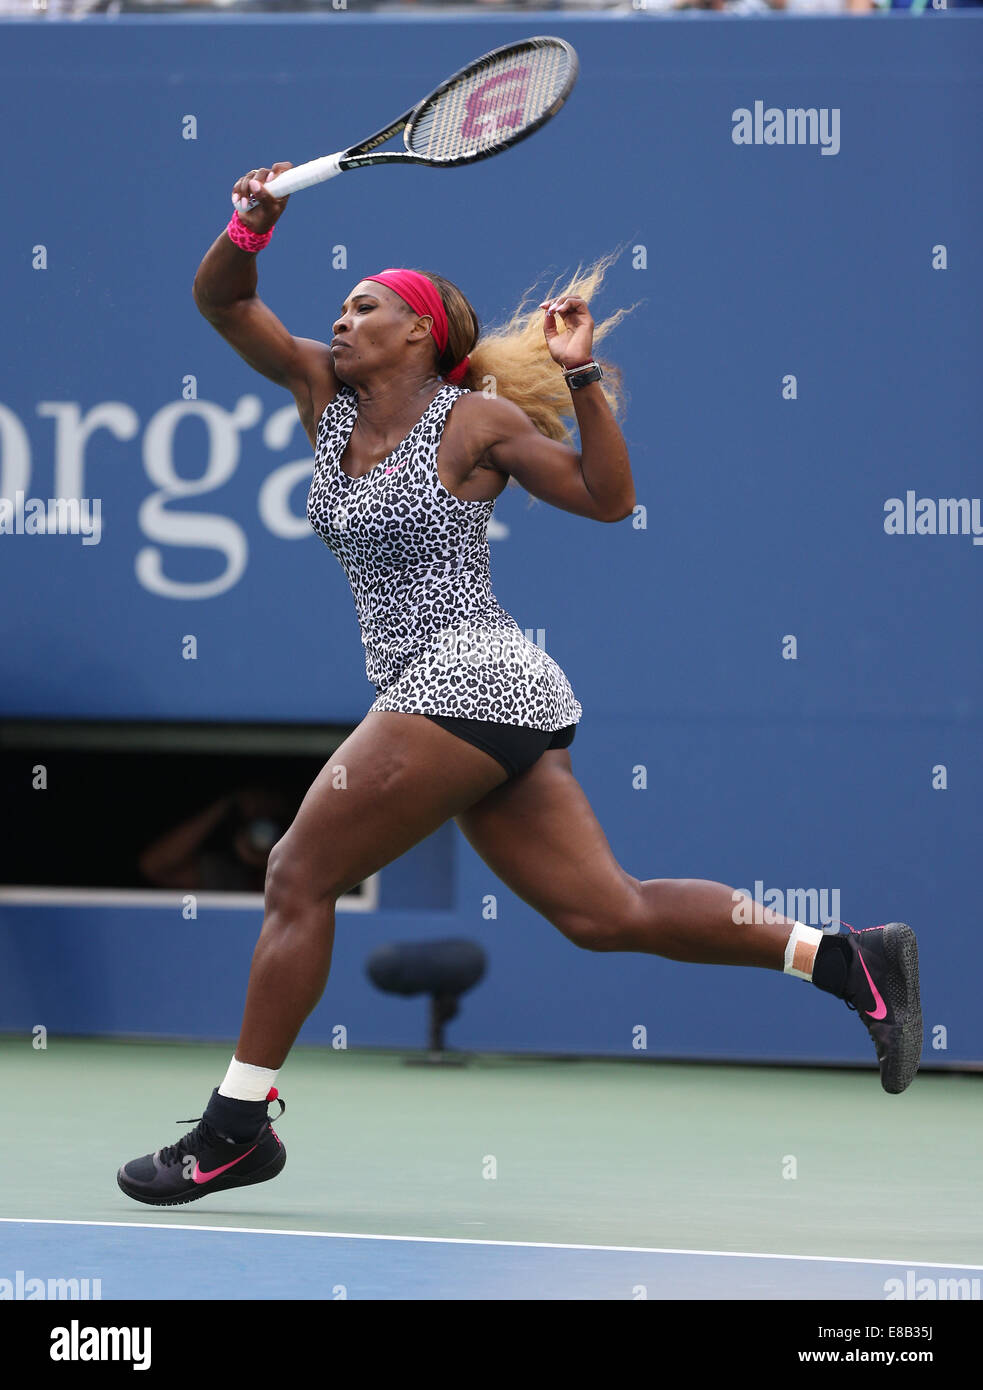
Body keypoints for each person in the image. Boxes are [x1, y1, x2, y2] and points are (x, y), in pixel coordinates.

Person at [117, 163, 921, 1207]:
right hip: (462, 693)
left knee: (295, 875)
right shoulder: (321, 392)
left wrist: (579, 375)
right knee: (605, 912)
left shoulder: (474, 424)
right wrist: (249, 222)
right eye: (342, 303)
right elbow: (221, 298)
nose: (341, 315)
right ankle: (842, 958)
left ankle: (236, 1125)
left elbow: (606, 497)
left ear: (418, 332)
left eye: (366, 304)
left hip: (470, 674)